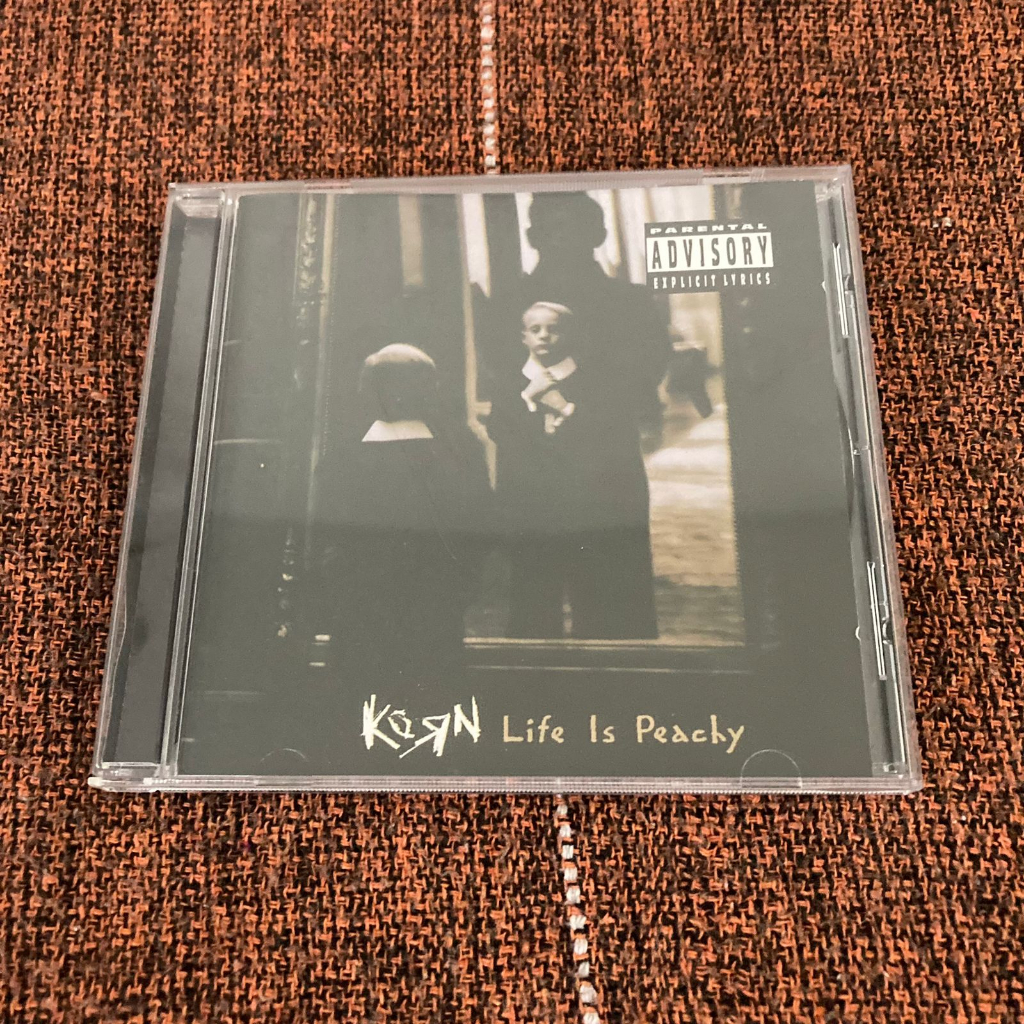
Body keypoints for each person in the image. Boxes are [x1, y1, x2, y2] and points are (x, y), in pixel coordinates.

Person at [316, 344, 492, 688]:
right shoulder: (460, 452)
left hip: (365, 611)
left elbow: (327, 537)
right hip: (431, 610)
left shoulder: (343, 456)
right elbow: (479, 530)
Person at [488, 301, 659, 640]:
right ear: (523, 337)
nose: (544, 336)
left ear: (571, 335)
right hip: (533, 505)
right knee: (534, 595)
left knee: (595, 593)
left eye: (553, 329)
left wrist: (564, 408)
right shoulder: (509, 385)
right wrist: (529, 405)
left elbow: (613, 438)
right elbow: (504, 436)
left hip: (588, 503)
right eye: (535, 330)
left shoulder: (598, 383)